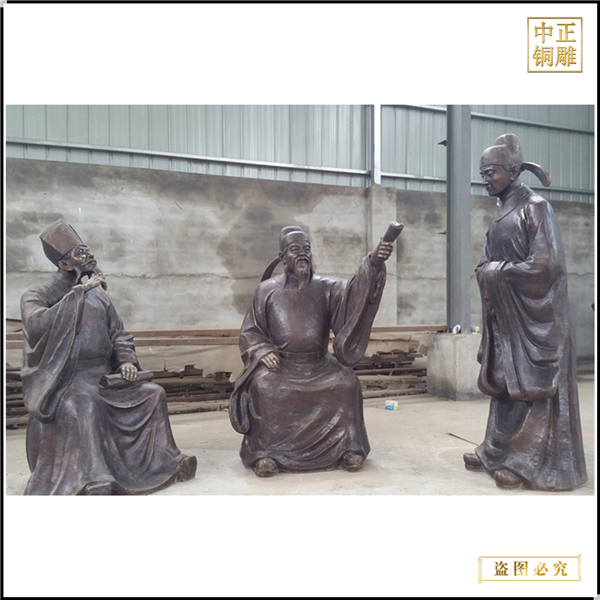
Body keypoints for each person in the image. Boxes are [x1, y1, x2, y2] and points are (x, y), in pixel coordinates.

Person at [21, 218, 197, 495]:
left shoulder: (100, 297)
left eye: (88, 250)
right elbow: (36, 326)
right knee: (83, 403)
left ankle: (165, 463)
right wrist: (78, 295)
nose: (90, 256)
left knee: (153, 394)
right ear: (64, 263)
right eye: (81, 253)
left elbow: (119, 335)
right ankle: (95, 477)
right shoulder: (38, 295)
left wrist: (126, 361)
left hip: (105, 376)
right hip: (67, 379)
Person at [463, 134, 587, 491]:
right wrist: (488, 272)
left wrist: (497, 272)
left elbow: (547, 264)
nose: (486, 179)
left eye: (491, 172)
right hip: (507, 315)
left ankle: (524, 461)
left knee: (533, 388)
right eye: (483, 174)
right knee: (505, 382)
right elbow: (486, 261)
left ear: (513, 171)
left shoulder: (536, 207)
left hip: (536, 316)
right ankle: (496, 451)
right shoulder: (500, 212)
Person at [229, 224, 400, 477]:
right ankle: (268, 454)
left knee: (347, 382)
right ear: (282, 256)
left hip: (320, 364)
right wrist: (262, 350)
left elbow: (354, 295)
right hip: (282, 365)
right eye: (295, 249)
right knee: (264, 386)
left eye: (306, 249)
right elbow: (250, 331)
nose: (302, 254)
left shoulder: (326, 286)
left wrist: (373, 264)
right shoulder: (265, 290)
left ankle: (347, 448)